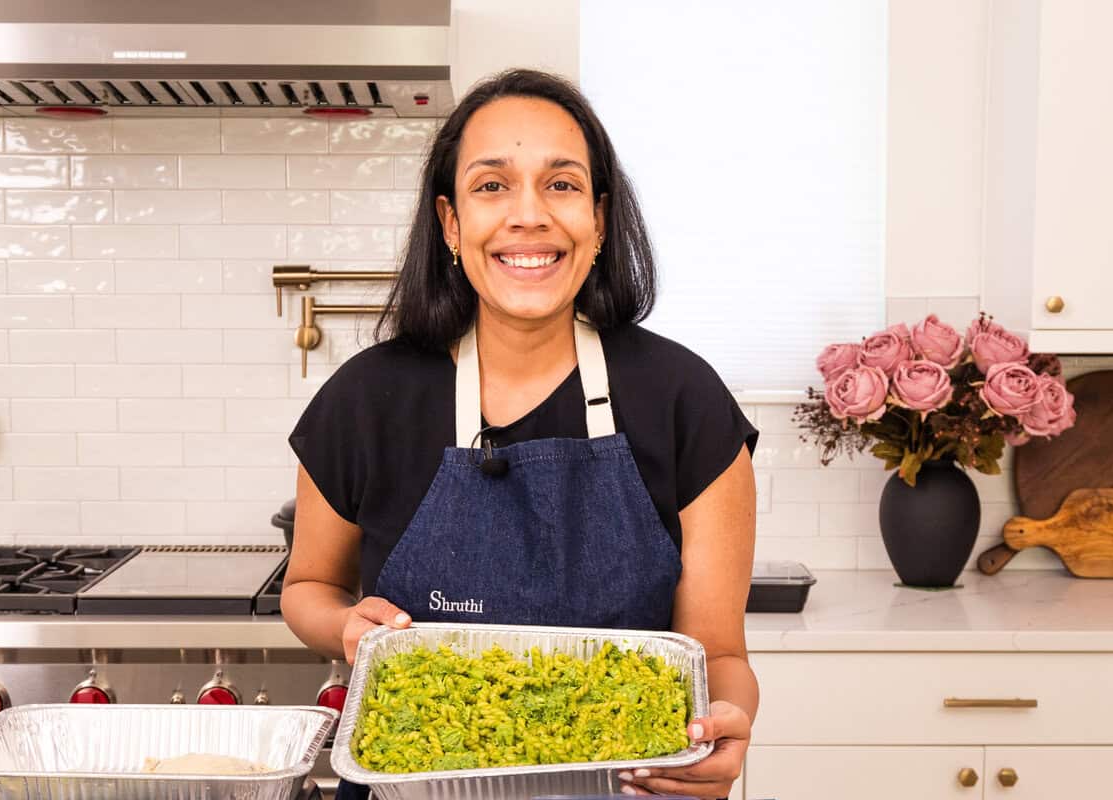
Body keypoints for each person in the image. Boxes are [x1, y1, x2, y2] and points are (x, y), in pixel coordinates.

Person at [283, 67, 759, 800]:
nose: (529, 215)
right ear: (451, 223)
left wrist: (723, 730)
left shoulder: (683, 398)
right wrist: (347, 625)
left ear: (599, 219)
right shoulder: (367, 398)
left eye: (561, 184)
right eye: (492, 185)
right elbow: (309, 587)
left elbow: (718, 655)